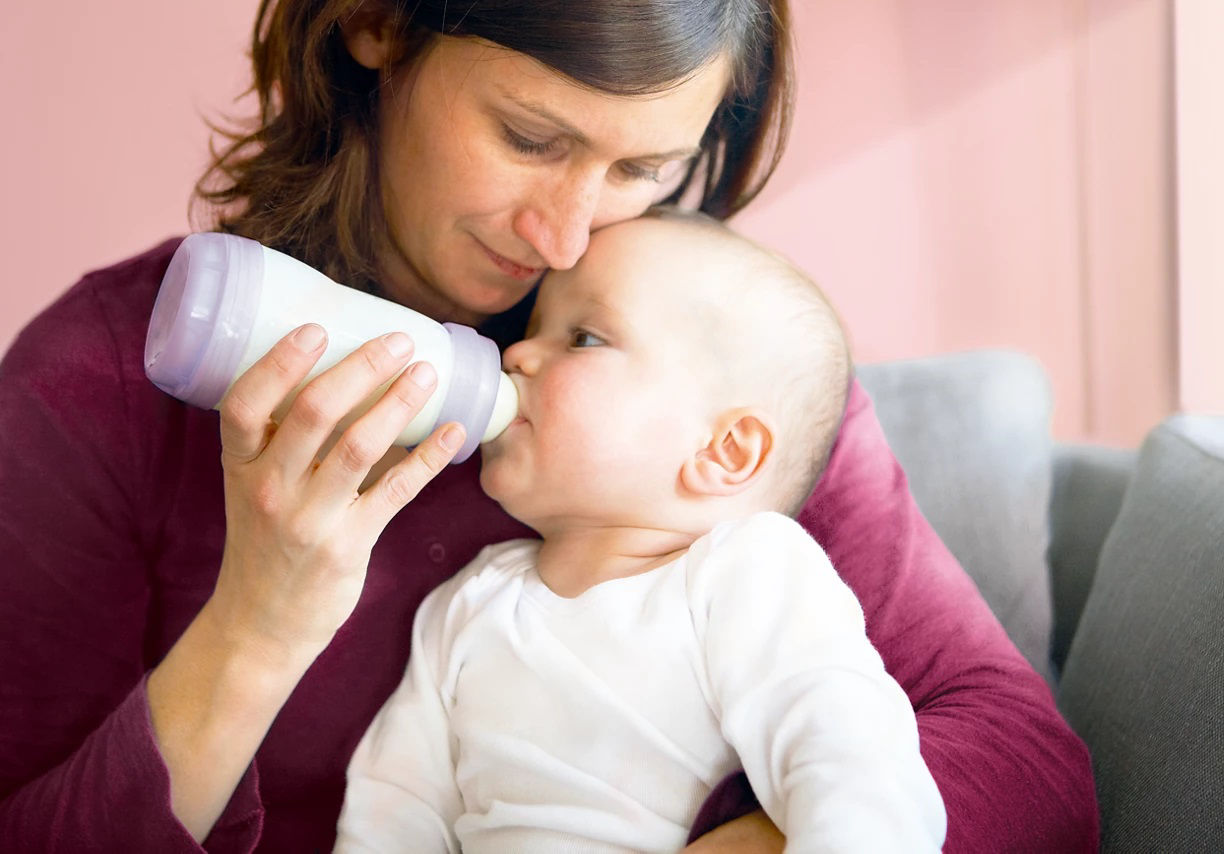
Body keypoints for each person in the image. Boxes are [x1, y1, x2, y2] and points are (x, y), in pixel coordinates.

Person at [0, 1, 1098, 852]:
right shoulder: (101, 385)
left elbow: (1022, 759)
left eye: (638, 169)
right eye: (531, 137)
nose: (565, 236)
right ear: (377, 27)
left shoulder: (698, 378)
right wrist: (257, 623)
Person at [336, 211, 947, 852]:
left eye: (585, 338)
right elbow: (393, 814)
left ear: (725, 452)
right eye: (537, 327)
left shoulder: (748, 575)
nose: (517, 353)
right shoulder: (467, 604)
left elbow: (852, 762)